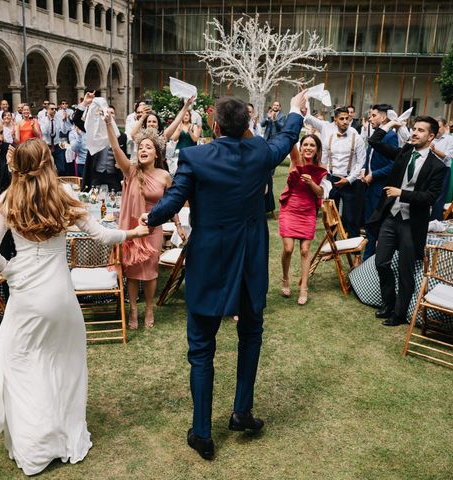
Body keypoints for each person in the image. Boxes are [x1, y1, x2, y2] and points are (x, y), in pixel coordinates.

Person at [140, 92, 307, 459]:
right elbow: (287, 137)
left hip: (209, 260)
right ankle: (241, 412)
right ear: (247, 125)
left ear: (215, 126)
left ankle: (203, 433)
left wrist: (148, 219)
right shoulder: (262, 151)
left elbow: (175, 198)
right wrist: (296, 110)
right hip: (248, 259)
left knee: (201, 348)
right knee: (251, 334)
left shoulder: (196, 156)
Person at [0, 138, 149, 476]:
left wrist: (13, 272)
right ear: (47, 163)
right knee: (64, 365)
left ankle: (34, 445)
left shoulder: (6, 198)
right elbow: (102, 236)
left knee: (25, 367)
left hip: (26, 295)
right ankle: (62, 435)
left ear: (17, 166)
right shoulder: (64, 196)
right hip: (59, 295)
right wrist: (135, 231)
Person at [105, 112, 183, 329]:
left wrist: (177, 225)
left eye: (148, 147)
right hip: (132, 228)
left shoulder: (164, 176)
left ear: (156, 154)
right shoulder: (131, 171)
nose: (143, 150)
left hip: (153, 229)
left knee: (149, 272)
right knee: (132, 271)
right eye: (141, 147)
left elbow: (172, 203)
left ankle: (148, 308)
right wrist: (109, 125)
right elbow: (116, 149)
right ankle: (133, 310)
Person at [368, 116, 446, 327]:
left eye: (420, 130)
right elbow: (374, 142)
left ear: (431, 136)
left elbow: (429, 198)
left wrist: (401, 193)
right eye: (414, 129)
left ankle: (400, 314)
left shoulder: (438, 167)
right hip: (391, 217)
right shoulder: (404, 152)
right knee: (381, 262)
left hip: (412, 224)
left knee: (405, 271)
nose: (414, 132)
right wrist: (390, 125)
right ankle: (388, 303)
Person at [278, 134, 326, 305]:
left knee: (305, 250)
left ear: (317, 149)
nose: (308, 148)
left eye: (312, 145)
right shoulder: (296, 161)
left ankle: (304, 287)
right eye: (305, 144)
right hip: (290, 208)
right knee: (288, 248)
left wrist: (312, 183)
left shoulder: (321, 168)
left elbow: (320, 193)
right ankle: (285, 278)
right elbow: (291, 143)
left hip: (307, 211)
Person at [305, 106, 366, 238]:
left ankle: (354, 252)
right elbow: (324, 160)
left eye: (347, 118)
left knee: (351, 218)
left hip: (350, 181)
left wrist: (349, 179)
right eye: (342, 119)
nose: (345, 121)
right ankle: (332, 247)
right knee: (331, 216)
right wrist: (323, 178)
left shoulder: (356, 137)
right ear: (336, 121)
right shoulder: (330, 137)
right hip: (332, 180)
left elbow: (361, 162)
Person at [360, 104, 397, 260]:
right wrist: (364, 169)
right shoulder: (375, 134)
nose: (370, 118)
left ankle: (370, 260)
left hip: (380, 188)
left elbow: (394, 165)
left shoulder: (391, 137)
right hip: (369, 187)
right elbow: (370, 157)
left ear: (383, 117)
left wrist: (374, 174)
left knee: (375, 227)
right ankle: (366, 259)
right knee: (369, 225)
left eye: (374, 115)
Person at [429, 117, 453, 220]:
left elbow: (447, 157)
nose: (436, 129)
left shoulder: (450, 139)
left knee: (439, 198)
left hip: (443, 170)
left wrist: (433, 149)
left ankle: (435, 222)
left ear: (445, 127)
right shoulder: (429, 137)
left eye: (438, 127)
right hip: (427, 170)